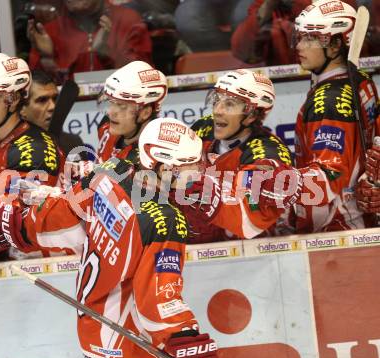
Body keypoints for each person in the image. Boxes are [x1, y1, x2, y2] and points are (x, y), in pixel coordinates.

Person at [0, 117, 221, 358]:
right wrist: (186, 337)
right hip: (133, 340)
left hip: (94, 329)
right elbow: (156, 302)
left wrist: (17, 226)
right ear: (163, 167)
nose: (198, 172)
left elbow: (65, 216)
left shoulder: (112, 170)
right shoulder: (165, 220)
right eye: (189, 165)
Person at [0, 52, 67, 263]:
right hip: (5, 251)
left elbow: (3, 219)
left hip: (50, 256)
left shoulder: (36, 151)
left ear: (15, 98)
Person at [292, 0, 379, 233]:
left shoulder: (328, 102)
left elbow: (326, 180)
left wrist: (267, 187)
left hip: (335, 225)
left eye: (309, 39)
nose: (300, 46)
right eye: (300, 37)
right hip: (359, 218)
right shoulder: (361, 80)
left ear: (334, 46)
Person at [186, 69, 299, 243]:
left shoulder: (267, 154)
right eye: (216, 99)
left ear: (252, 115)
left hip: (261, 253)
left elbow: (246, 223)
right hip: (207, 245)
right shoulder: (203, 128)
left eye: (230, 104)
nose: (217, 110)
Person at [27, 0, 152, 80]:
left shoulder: (128, 21)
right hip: (70, 117)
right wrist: (47, 58)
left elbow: (144, 79)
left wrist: (106, 54)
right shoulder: (48, 31)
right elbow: (38, 94)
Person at [95, 60, 168, 163]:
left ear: (145, 113)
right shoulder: (107, 125)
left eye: (122, 106)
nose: (111, 112)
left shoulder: (151, 158)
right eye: (112, 103)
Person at [20, 69, 86, 158]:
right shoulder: (14, 150)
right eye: (42, 100)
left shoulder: (73, 142)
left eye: (55, 98)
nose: (53, 107)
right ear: (22, 109)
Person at [230, 0, 311, 66]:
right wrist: (267, 8)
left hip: (310, 74)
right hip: (274, 77)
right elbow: (242, 52)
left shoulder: (316, 7)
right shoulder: (259, 6)